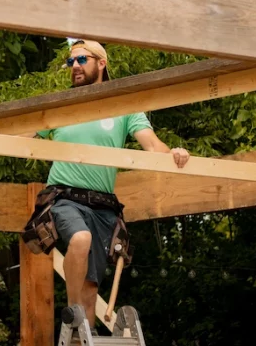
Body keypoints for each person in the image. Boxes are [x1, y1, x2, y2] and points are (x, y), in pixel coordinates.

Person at [36, 40, 190, 329]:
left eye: (82, 59)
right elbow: (20, 135)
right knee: (80, 240)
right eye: (71, 62)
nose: (75, 66)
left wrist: (175, 154)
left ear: (102, 64)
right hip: (64, 196)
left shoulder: (125, 107)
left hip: (102, 205)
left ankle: (85, 330)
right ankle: (73, 317)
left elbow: (154, 146)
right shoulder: (60, 105)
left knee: (91, 291)